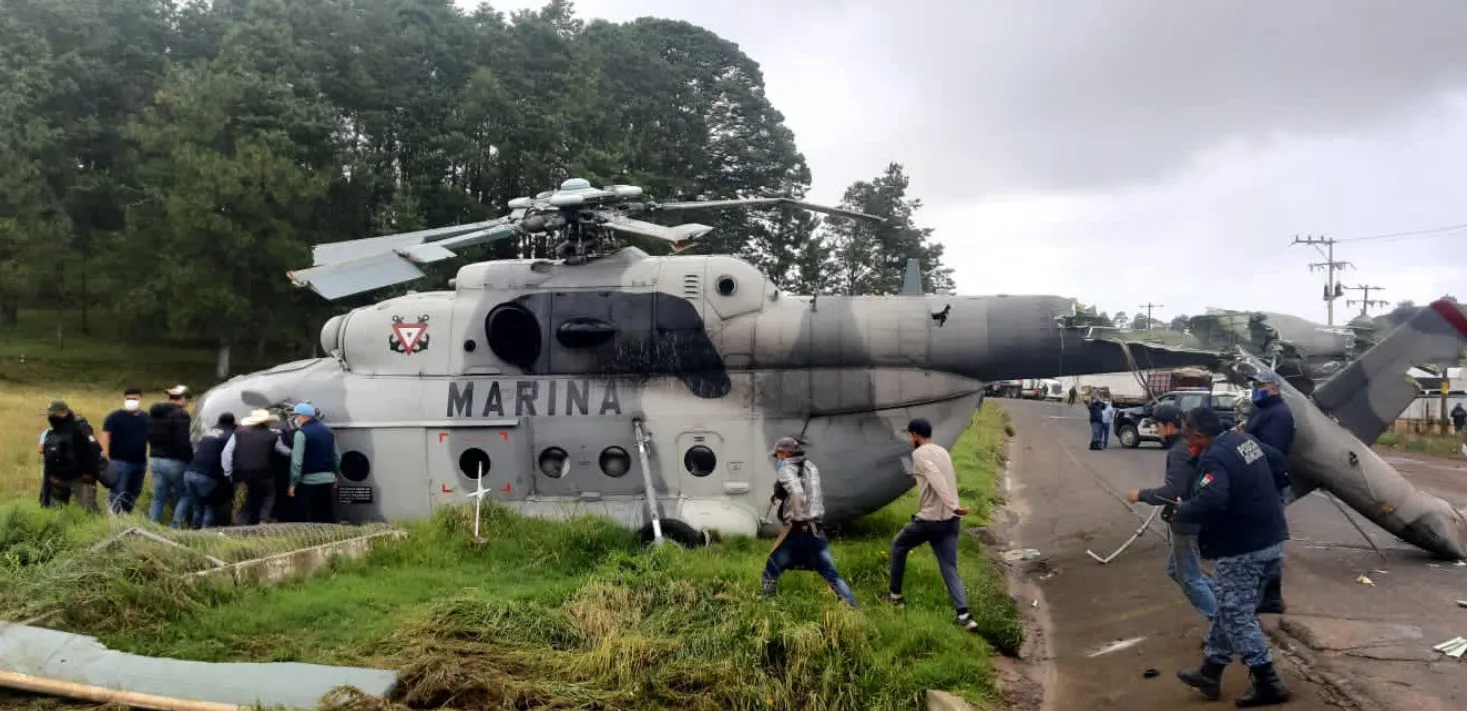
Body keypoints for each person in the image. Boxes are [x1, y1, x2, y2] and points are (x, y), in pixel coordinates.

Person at [1172, 407, 1291, 707]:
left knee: (1236, 615)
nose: (1186, 443)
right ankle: (1211, 672)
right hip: (1271, 539)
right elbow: (1278, 462)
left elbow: (1213, 498)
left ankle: (1268, 681)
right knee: (1228, 609)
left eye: (1188, 436)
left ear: (1199, 435)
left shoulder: (1214, 456)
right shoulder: (1244, 441)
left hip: (1243, 548)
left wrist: (1181, 510)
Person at [883, 418, 979, 632]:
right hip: (950, 523)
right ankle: (964, 616)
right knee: (949, 566)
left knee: (899, 545)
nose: (910, 439)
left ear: (916, 435)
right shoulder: (942, 451)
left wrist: (954, 505)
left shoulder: (919, 453)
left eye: (910, 435)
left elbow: (935, 476)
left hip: (931, 519)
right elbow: (935, 474)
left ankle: (895, 596)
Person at [1127, 404, 1216, 622]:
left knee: (1190, 578)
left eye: (1157, 425)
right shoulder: (1189, 446)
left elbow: (1173, 490)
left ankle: (1223, 622)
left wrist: (1141, 494)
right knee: (1175, 570)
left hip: (1186, 522)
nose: (1156, 430)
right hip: (1194, 517)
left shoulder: (1179, 451)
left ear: (1169, 426)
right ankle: (1227, 602)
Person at [760, 436, 858, 607]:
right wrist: (779, 493)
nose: (777, 459)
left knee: (772, 566)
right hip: (816, 529)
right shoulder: (811, 466)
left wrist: (798, 519)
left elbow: (797, 493)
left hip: (798, 529)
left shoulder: (786, 469)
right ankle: (852, 608)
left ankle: (767, 608)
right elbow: (809, 491)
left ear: (784, 453)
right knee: (830, 574)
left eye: (778, 456)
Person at [1239, 370, 1296, 614]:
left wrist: (1243, 441)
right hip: (1260, 483)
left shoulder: (1280, 415)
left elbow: (1272, 454)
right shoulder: (1262, 410)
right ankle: (1262, 594)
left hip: (1271, 484)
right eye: (1255, 384)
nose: (1256, 389)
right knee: (1258, 541)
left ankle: (1271, 597)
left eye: (1260, 385)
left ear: (1274, 387)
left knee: (1268, 544)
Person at [223, 409, 292, 525]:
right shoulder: (273, 435)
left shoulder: (238, 434)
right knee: (269, 495)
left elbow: (226, 453)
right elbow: (284, 451)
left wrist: (228, 472)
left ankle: (240, 528)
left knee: (243, 503)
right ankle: (263, 521)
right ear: (267, 422)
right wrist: (297, 453)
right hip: (264, 474)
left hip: (241, 475)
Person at [175, 413, 236, 529]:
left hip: (189, 473)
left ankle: (194, 532)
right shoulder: (230, 436)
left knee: (198, 507)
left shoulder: (209, 433)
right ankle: (205, 532)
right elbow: (229, 456)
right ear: (232, 423)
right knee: (209, 506)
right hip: (207, 477)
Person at [40, 401, 102, 513]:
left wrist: (90, 474)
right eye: (50, 415)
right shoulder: (52, 433)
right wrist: (48, 483)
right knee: (55, 514)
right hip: (57, 480)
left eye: (53, 414)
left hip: (81, 480)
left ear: (64, 413)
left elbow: (95, 449)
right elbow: (47, 459)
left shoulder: (81, 428)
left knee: (87, 513)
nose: (50, 417)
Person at [146, 385, 194, 524]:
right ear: (183, 399)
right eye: (188, 400)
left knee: (158, 497)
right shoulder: (181, 414)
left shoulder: (155, 413)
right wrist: (190, 460)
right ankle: (176, 527)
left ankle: (152, 525)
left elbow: (149, 435)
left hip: (155, 459)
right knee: (185, 495)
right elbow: (183, 441)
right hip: (174, 461)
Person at [287, 403, 342, 523]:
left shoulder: (301, 434)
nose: (295, 419)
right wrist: (336, 476)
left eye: (296, 416)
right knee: (325, 514)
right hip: (328, 480)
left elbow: (297, 462)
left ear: (302, 416)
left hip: (308, 482)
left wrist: (293, 483)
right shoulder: (329, 432)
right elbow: (337, 457)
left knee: (309, 518)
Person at [101, 388, 151, 514]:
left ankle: (126, 515)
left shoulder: (146, 417)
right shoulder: (114, 417)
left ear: (140, 399)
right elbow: (105, 434)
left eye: (134, 399)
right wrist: (105, 454)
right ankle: (114, 517)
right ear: (124, 399)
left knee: (134, 491)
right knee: (118, 491)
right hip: (119, 461)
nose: (131, 401)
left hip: (140, 462)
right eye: (129, 399)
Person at [38, 426, 71, 508]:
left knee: (46, 485)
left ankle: (45, 504)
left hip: (49, 464)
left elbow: (40, 450)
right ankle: (62, 506)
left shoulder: (46, 432)